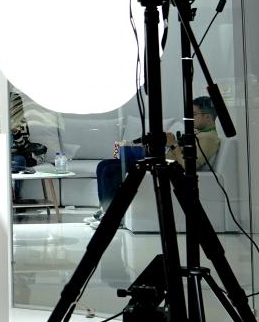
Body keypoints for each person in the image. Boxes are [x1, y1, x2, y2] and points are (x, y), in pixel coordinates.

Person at [87, 96, 221, 228]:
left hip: (168, 169)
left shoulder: (209, 138)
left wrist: (173, 144)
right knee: (103, 165)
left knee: (111, 170)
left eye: (194, 114)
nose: (190, 118)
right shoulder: (198, 133)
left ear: (207, 117)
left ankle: (114, 217)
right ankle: (106, 209)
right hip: (163, 161)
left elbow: (188, 167)